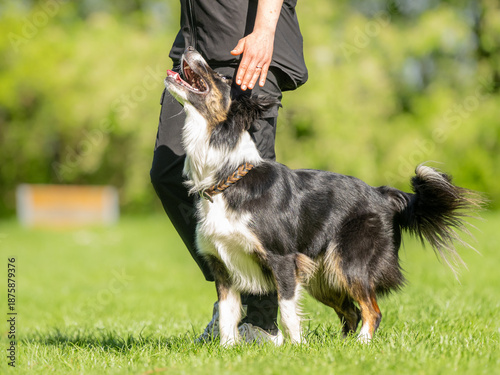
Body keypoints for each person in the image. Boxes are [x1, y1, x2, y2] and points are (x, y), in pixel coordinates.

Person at [150, 0, 307, 344]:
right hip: (197, 46)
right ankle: (233, 295)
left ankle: (262, 322)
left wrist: (265, 31)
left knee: (255, 195)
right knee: (168, 170)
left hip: (247, 46)